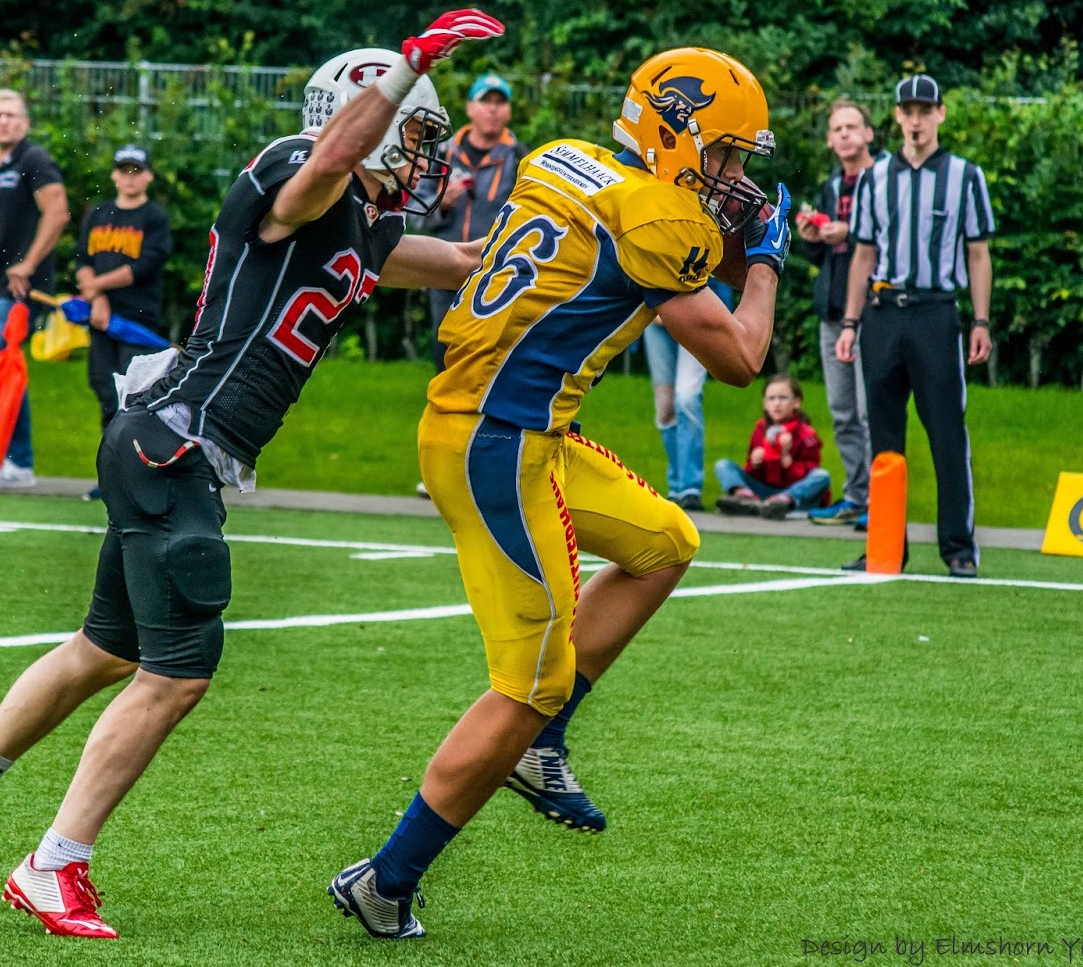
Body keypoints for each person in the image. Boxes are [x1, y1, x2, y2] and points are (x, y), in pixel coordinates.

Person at [0, 9, 501, 940]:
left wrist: (576, 235)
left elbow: (463, 261)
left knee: (104, 650)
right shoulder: (297, 172)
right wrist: (407, 67)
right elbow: (329, 164)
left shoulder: (365, 224)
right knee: (177, 675)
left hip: (164, 443)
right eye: (413, 132)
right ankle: (54, 864)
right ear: (366, 116)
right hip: (176, 443)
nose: (425, 155)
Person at [330, 47, 792, 939]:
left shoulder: (559, 158)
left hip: (508, 429)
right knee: (527, 685)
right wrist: (766, 260)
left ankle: (541, 744)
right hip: (496, 445)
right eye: (727, 154)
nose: (733, 177)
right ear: (677, 132)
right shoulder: (661, 219)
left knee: (665, 542)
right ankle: (386, 879)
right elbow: (741, 356)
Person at [835, 74, 994, 578]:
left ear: (940, 114)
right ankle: (886, 547)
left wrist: (981, 320)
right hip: (883, 313)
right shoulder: (876, 178)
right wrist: (850, 322)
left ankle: (958, 547)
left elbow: (978, 253)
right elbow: (863, 254)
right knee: (883, 436)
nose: (917, 120)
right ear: (898, 116)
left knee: (946, 431)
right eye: (909, 111)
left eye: (926, 110)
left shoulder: (965, 176)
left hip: (935, 312)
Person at [0, 90, 70, 491]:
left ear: (24, 124)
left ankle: (11, 457)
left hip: (20, 288)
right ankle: (9, 456)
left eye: (12, 115)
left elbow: (57, 212)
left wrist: (28, 263)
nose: (5, 121)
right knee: (4, 372)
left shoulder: (34, 159)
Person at [798, 99, 883, 525]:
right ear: (830, 141)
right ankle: (856, 497)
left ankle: (882, 503)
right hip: (833, 311)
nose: (845, 134)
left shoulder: (887, 179)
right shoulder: (832, 186)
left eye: (852, 127)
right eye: (837, 129)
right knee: (842, 411)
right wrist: (812, 237)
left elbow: (896, 240)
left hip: (875, 310)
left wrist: (850, 232)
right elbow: (823, 257)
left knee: (871, 413)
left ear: (869, 134)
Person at [76, 144, 172, 501]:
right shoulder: (99, 213)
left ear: (148, 176)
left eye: (137, 171)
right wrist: (97, 297)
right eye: (124, 170)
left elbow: (146, 265)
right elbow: (82, 259)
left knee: (133, 400)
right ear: (114, 174)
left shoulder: (154, 217)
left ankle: (139, 476)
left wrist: (96, 288)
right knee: (104, 391)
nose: (130, 178)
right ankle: (111, 477)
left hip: (137, 322)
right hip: (100, 319)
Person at [414, 73, 527, 372]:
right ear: (469, 108)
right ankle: (443, 397)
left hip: (496, 271)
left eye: (500, 103)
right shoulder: (442, 153)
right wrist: (440, 204)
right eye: (485, 101)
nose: (493, 109)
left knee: (492, 348)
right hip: (444, 267)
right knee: (445, 341)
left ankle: (486, 399)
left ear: (509, 111)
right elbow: (414, 210)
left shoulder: (520, 158)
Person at [641, 280, 732, 510]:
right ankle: (676, 487)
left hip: (697, 316)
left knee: (687, 397)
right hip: (654, 314)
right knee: (665, 408)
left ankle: (690, 488)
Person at [713, 374, 830, 519]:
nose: (777, 403)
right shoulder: (760, 430)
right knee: (723, 465)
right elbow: (751, 472)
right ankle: (745, 498)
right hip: (762, 489)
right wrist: (754, 463)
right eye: (771, 398)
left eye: (783, 398)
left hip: (792, 490)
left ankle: (781, 502)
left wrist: (788, 462)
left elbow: (811, 470)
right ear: (765, 404)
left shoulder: (806, 434)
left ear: (796, 402)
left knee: (822, 476)